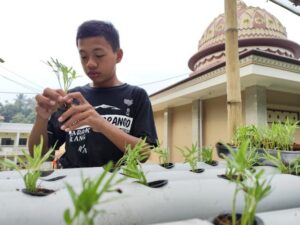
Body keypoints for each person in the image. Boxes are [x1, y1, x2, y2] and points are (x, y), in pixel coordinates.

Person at [29, 20, 158, 168]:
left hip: (119, 183)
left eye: (99, 55)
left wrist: (100, 123)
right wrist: (41, 118)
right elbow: (37, 154)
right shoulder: (72, 98)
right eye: (83, 56)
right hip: (72, 183)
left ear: (118, 55)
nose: (90, 63)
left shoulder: (136, 96)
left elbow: (144, 153)